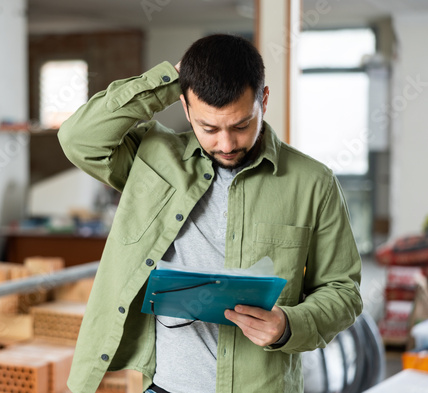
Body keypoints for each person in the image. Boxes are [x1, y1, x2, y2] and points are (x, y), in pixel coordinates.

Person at [58, 34, 362, 393]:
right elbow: (79, 138)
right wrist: (171, 81)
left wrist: (287, 324)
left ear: (263, 100)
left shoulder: (314, 182)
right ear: (186, 109)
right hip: (165, 386)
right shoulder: (153, 160)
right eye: (209, 128)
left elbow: (343, 290)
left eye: (241, 125)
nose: (226, 144)